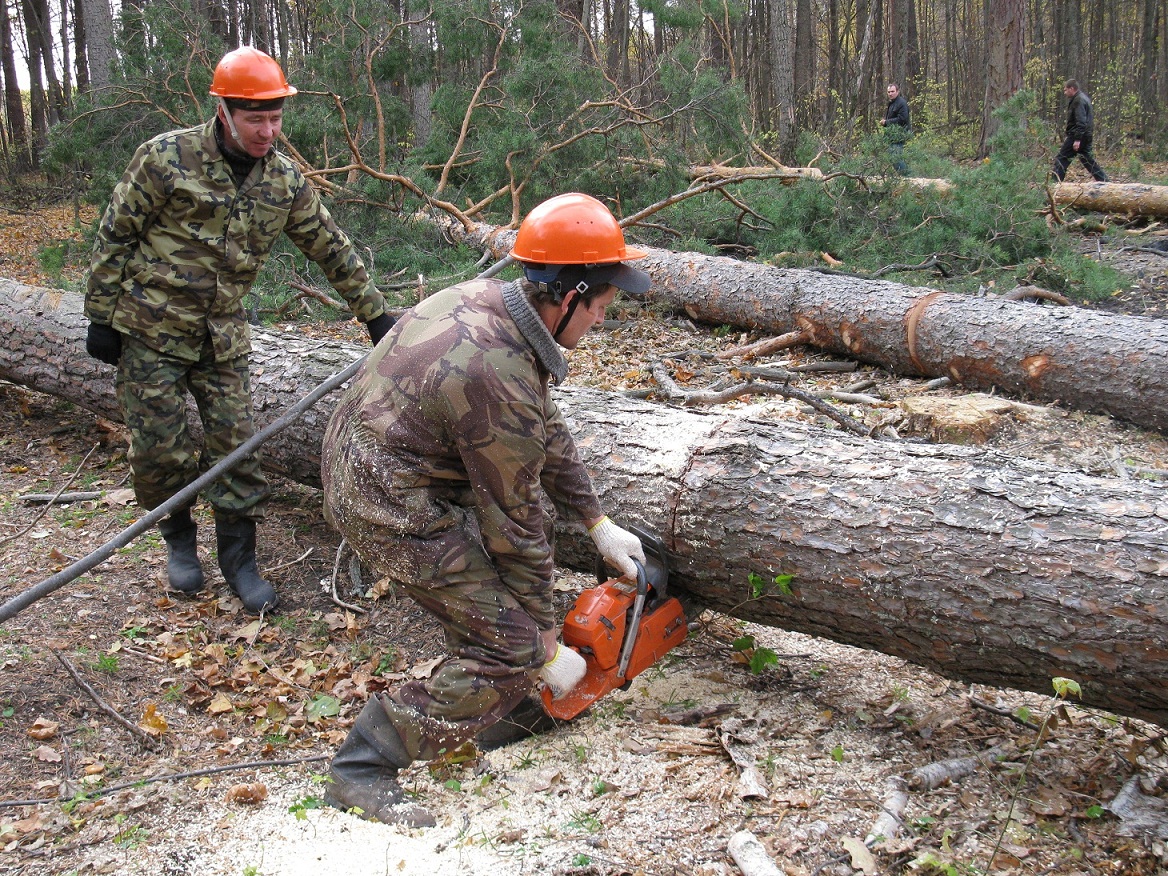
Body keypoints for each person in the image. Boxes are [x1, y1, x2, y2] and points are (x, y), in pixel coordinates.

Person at [318, 192, 650, 827]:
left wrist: (596, 521)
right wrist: (543, 648)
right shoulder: (497, 375)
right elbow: (517, 524)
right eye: (603, 306)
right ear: (570, 294)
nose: (603, 321)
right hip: (385, 501)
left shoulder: (497, 305)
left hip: (380, 464)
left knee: (515, 616)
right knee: (510, 647)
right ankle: (364, 766)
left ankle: (507, 704)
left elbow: (544, 428)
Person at [83, 46, 394, 615]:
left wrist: (374, 312)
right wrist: (100, 316)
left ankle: (239, 560)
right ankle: (178, 540)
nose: (268, 130)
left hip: (221, 339)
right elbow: (116, 235)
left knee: (238, 446)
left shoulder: (283, 181)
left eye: (276, 118)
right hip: (150, 331)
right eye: (256, 118)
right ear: (223, 111)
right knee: (160, 451)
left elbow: (330, 246)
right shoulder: (164, 158)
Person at [1051, 79, 1108, 182]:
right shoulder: (1083, 98)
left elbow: (1081, 121)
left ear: (1072, 89)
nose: (1064, 93)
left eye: (1065, 90)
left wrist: (1077, 139)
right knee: (1087, 160)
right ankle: (1105, 182)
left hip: (1077, 135)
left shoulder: (1078, 100)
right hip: (1086, 135)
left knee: (1062, 158)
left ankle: (1054, 184)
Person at [879, 82, 912, 175]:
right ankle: (905, 176)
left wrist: (886, 122)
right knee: (892, 156)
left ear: (897, 91)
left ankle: (908, 177)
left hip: (900, 134)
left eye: (892, 91)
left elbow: (903, 119)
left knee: (895, 157)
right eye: (889, 92)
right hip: (893, 135)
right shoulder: (892, 103)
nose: (890, 93)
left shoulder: (901, 103)